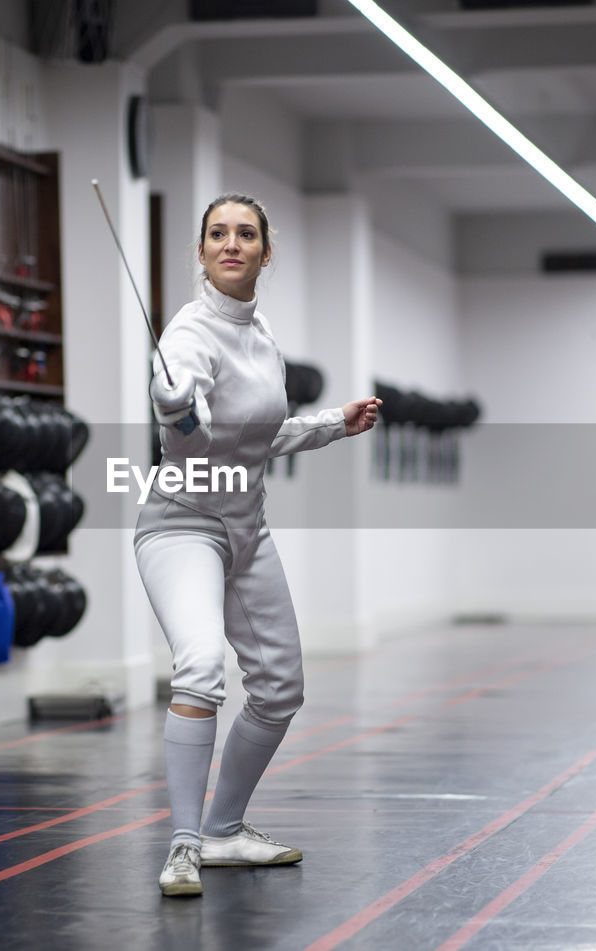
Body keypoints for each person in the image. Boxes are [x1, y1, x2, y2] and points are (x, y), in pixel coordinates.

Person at [134, 193, 381, 897]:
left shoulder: (261, 332)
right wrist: (177, 405)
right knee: (203, 664)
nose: (231, 243)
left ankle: (222, 830)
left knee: (279, 688)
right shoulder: (188, 335)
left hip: (248, 527)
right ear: (203, 250)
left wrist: (332, 422)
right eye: (217, 233)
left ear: (265, 252)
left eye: (246, 234)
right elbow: (188, 426)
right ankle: (182, 845)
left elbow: (255, 436)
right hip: (181, 525)